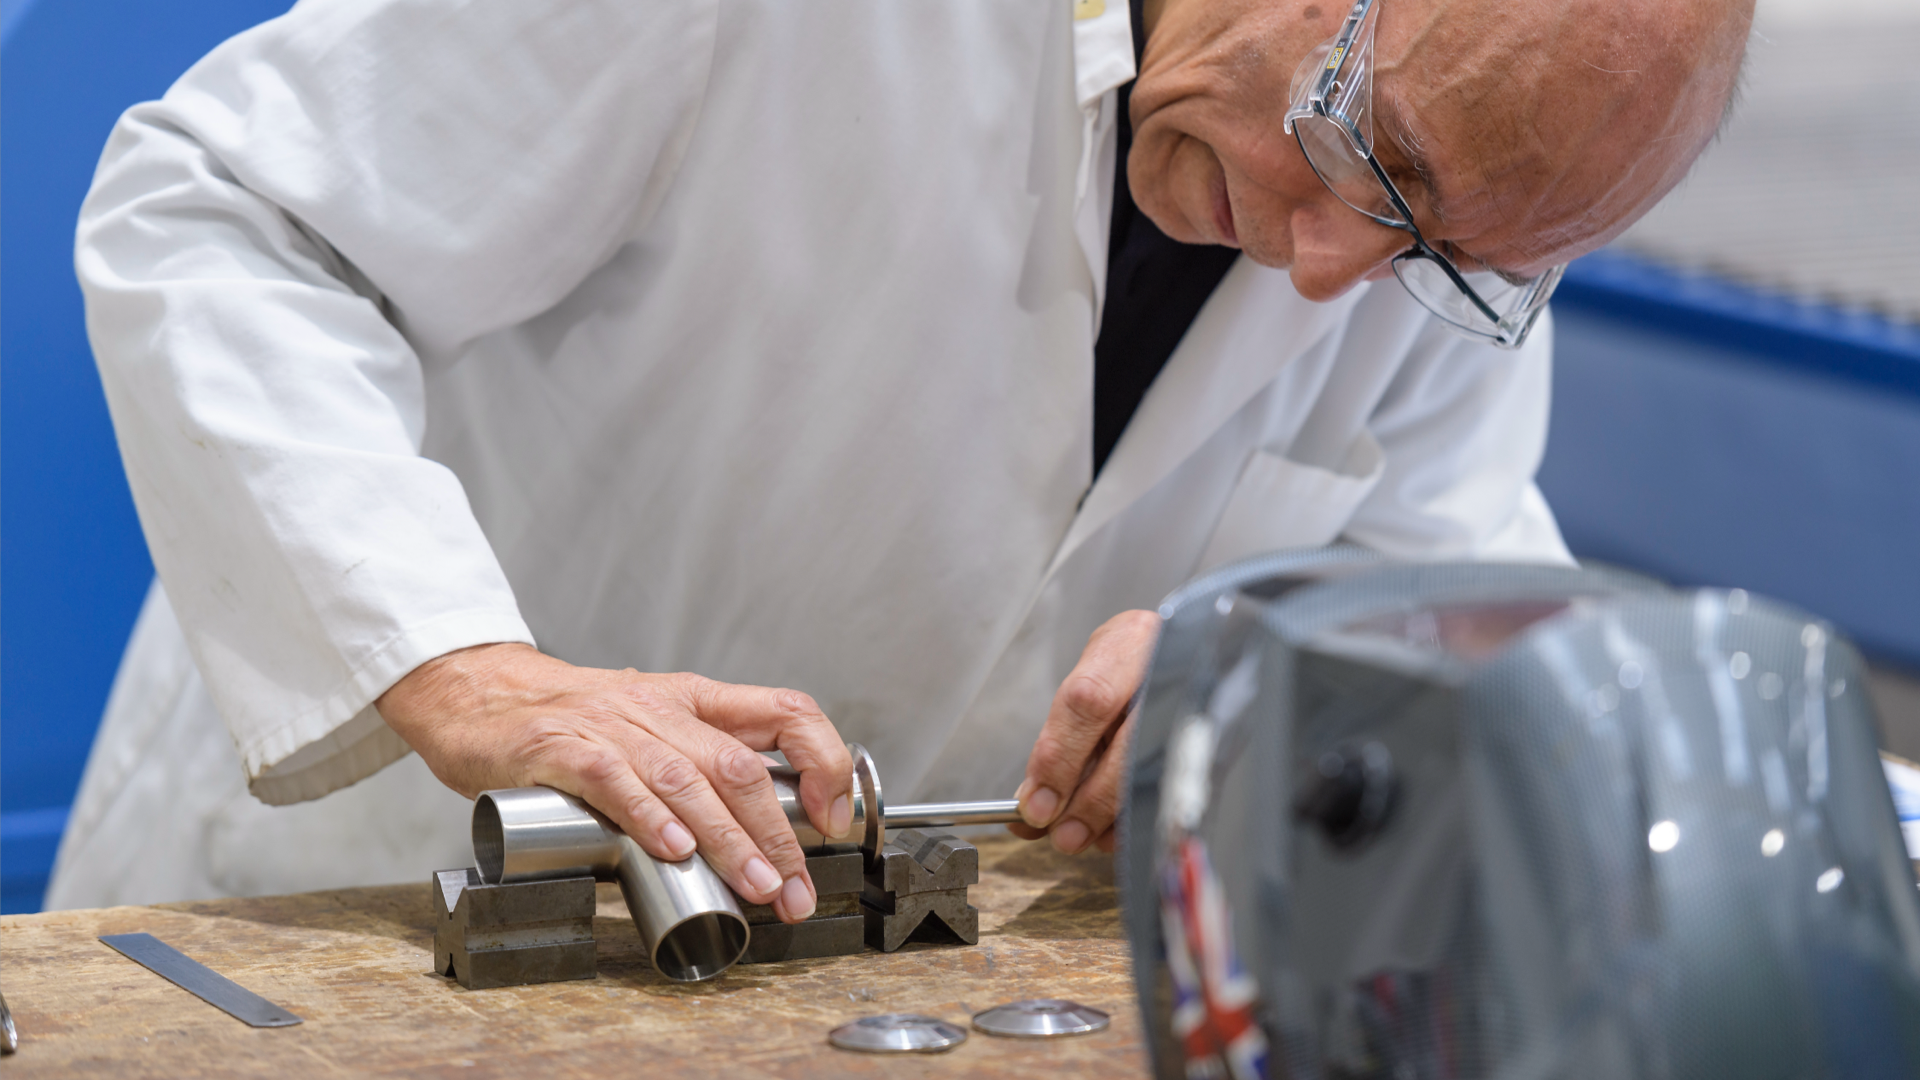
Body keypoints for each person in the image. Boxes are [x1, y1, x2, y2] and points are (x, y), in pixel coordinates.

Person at [48, 0, 1753, 914]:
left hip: (831, 980)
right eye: (1361, 151)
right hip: (368, 921)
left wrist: (1285, 680)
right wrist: (464, 664)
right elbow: (222, 212)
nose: (1330, 276)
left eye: (1451, 258)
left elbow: (1444, 579)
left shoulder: (1428, 220)